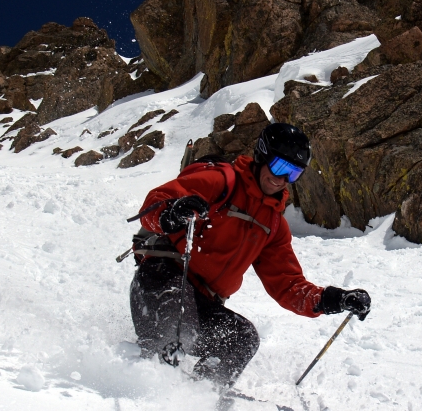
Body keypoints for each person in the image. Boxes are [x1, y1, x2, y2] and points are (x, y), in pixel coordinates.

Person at [129, 122, 371, 390]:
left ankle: (200, 397)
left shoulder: (273, 225)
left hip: (203, 302)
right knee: (174, 334)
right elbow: (156, 201)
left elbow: (288, 284)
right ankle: (147, 394)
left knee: (242, 338)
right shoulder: (221, 181)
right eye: (280, 167)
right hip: (162, 279)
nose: (282, 179)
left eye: (293, 173)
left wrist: (333, 299)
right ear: (262, 155)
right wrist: (171, 213)